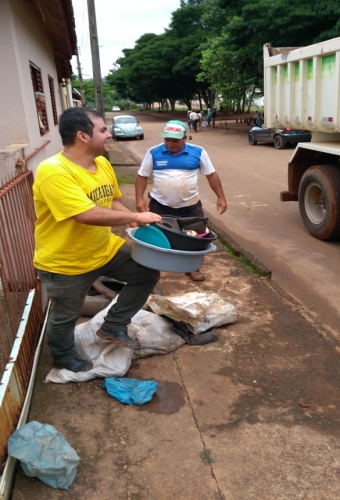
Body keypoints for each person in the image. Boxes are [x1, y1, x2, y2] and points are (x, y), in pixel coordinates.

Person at [33, 107, 163, 373]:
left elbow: (111, 200)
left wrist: (133, 219)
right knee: (64, 318)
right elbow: (85, 214)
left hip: (104, 250)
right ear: (82, 135)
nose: (109, 134)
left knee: (147, 273)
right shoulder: (54, 171)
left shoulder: (101, 163)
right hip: (65, 262)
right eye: (103, 130)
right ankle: (63, 357)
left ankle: (113, 325)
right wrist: (142, 213)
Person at [135, 120, 227, 282]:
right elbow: (142, 176)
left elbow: (211, 174)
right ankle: (155, 267)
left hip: (190, 205)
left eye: (175, 140)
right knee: (157, 235)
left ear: (185, 138)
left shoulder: (198, 152)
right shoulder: (153, 152)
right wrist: (139, 198)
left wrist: (221, 197)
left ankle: (192, 268)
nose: (170, 144)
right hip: (159, 204)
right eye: (167, 140)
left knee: (196, 237)